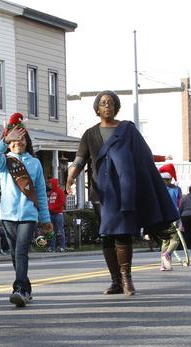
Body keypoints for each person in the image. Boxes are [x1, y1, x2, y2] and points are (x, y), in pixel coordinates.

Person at [66, 91, 175, 296]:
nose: (107, 106)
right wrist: (71, 175)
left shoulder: (128, 130)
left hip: (124, 191)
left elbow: (143, 158)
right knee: (107, 236)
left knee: (123, 234)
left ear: (116, 107)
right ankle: (115, 281)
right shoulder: (90, 134)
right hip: (101, 193)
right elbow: (80, 159)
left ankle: (127, 279)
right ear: (97, 109)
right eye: (103, 103)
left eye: (110, 103)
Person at [0, 114, 52, 307]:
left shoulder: (35, 163)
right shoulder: (4, 162)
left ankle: (20, 289)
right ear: (9, 143)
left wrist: (45, 218)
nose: (18, 142)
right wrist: (5, 139)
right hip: (8, 215)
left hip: (28, 215)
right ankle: (26, 288)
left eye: (21, 139)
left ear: (27, 141)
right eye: (14, 140)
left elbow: (41, 192)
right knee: (14, 254)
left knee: (21, 252)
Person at [157, 162, 186, 269]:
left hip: (162, 217)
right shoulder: (177, 189)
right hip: (173, 216)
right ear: (170, 179)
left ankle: (163, 265)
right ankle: (167, 254)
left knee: (165, 240)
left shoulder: (159, 190)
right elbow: (179, 204)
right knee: (175, 240)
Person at [47, 178, 67, 252]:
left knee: (60, 231)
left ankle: (62, 247)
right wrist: (49, 207)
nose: (50, 185)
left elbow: (62, 202)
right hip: (51, 214)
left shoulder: (60, 192)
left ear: (54, 183)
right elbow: (50, 202)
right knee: (52, 232)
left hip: (58, 214)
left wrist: (52, 207)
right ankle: (52, 247)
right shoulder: (51, 192)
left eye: (50, 183)